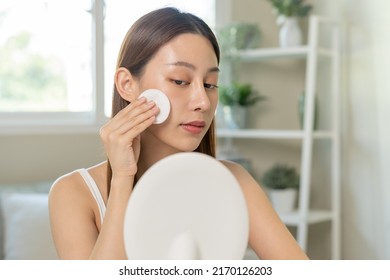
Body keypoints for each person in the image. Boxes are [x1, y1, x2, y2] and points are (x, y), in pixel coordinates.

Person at [49, 7, 308, 260]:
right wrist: (122, 179)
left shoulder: (234, 182)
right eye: (180, 81)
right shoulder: (73, 193)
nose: (203, 102)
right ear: (127, 85)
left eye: (210, 84)